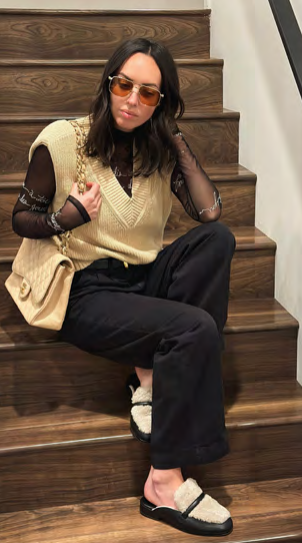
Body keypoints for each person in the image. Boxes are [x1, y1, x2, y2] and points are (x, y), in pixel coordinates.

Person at [11, 38, 235, 537]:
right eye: (124, 86)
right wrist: (68, 217)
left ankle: (154, 381)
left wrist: (174, 136)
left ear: (162, 102)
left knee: (217, 240)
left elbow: (209, 211)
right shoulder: (63, 140)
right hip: (83, 288)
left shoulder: (157, 151)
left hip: (142, 280)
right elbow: (21, 218)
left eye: (149, 93)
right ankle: (163, 481)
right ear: (108, 83)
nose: (132, 100)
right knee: (195, 329)